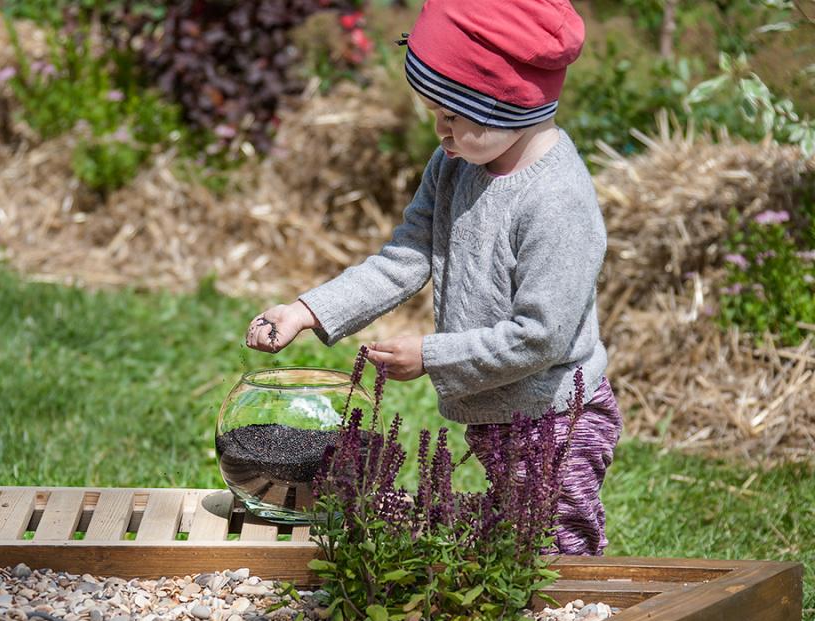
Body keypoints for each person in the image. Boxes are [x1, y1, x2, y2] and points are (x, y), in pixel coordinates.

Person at [244, 0, 622, 556]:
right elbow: (405, 257)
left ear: (501, 103)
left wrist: (432, 355)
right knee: (509, 544)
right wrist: (307, 311)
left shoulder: (556, 201)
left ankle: (589, 615)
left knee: (558, 551)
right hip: (497, 407)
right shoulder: (455, 164)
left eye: (451, 115)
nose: (439, 130)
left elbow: (541, 336)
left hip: (557, 417)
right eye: (434, 113)